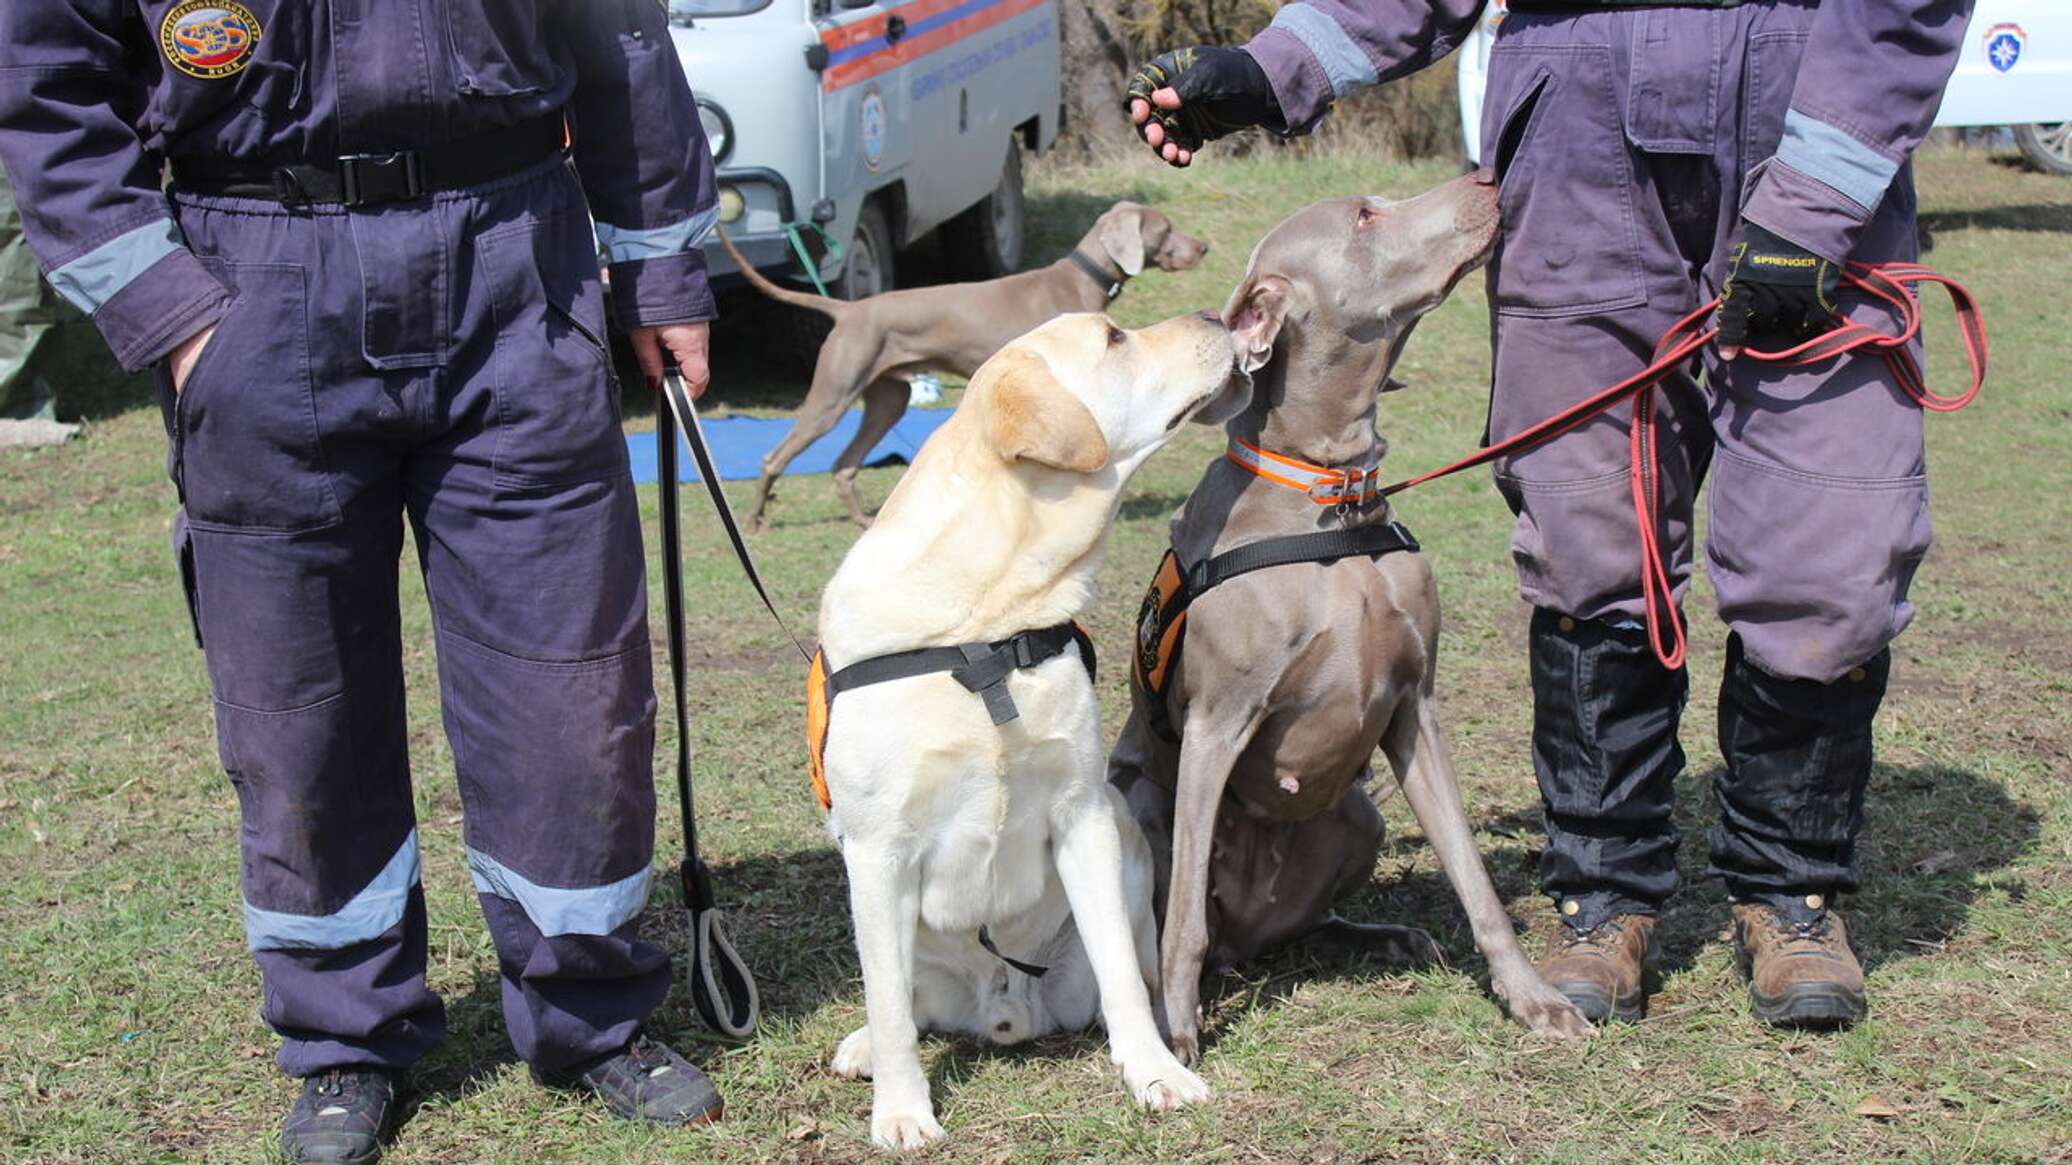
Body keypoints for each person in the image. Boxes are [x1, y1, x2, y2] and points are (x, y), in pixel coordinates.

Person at [1124, 0, 1972, 1029]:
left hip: (1805, 89)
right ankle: (1600, 891)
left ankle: (1790, 891)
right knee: (1585, 532)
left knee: (1830, 545)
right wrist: (1277, 67)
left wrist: (1814, 196)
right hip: (1579, 129)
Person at [0, 3, 723, 1160]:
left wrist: (661, 265)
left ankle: (589, 1012)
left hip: (515, 273)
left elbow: (619, 36)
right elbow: (45, 86)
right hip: (253, 279)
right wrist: (171, 315)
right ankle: (346, 1033)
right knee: (298, 708)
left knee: (568, 692)